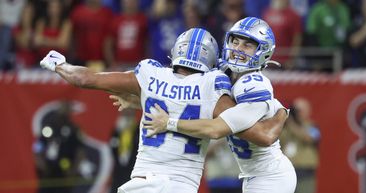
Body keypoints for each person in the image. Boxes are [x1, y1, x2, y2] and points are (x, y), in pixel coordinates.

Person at [39, 27, 288, 193]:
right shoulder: (213, 85)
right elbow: (254, 133)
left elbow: (85, 79)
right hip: (181, 186)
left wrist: (58, 64)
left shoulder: (150, 74)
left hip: (141, 184)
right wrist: (280, 113)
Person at [143, 17, 297, 193]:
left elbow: (219, 130)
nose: (238, 49)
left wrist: (169, 122)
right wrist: (135, 99)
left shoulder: (253, 84)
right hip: (253, 175)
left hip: (271, 176)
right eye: (235, 42)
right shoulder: (224, 71)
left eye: (247, 45)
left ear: (263, 51)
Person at [280, 98, 320, 193]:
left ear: (307, 111)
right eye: (295, 110)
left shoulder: (312, 126)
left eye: (299, 110)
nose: (297, 113)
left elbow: (309, 138)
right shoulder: (284, 127)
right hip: (286, 172)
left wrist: (291, 123)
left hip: (305, 172)